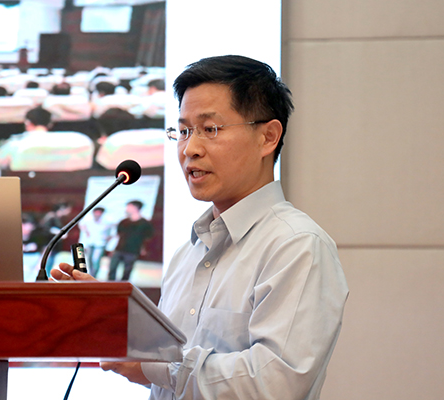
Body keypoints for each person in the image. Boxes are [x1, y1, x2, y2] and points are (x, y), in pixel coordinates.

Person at [51, 55, 349, 399]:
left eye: (210, 129)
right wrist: (116, 320)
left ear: (268, 137)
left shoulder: (297, 246)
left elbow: (276, 383)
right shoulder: (187, 254)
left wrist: (155, 365)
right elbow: (174, 382)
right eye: (183, 131)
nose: (189, 149)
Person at [107, 200, 153, 281]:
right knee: (112, 269)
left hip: (133, 251)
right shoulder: (124, 222)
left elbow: (148, 237)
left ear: (135, 208)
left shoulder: (145, 224)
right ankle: (110, 286)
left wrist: (143, 248)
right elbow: (118, 234)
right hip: (119, 249)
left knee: (127, 271)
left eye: (129, 207)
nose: (127, 209)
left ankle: (122, 287)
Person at [78, 206, 114, 277]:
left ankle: (93, 275)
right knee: (89, 260)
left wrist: (107, 240)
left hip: (100, 244)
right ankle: (90, 274)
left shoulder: (106, 223)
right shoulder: (88, 222)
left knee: (96, 261)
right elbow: (82, 226)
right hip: (90, 243)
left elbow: (112, 234)